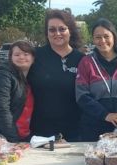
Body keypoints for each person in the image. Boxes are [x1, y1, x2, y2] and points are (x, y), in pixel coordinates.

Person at [28, 9, 84, 141]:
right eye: (52, 30)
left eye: (62, 29)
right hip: (40, 132)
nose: (57, 33)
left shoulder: (82, 59)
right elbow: (8, 71)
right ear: (47, 33)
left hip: (75, 131)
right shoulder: (35, 55)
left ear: (70, 31)